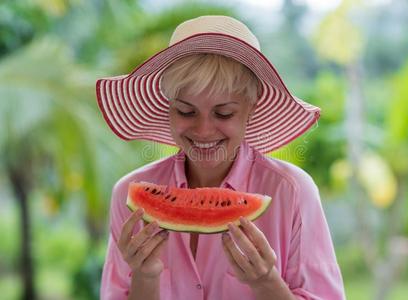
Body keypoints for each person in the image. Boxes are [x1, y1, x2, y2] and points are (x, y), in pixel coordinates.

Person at [96, 15, 345, 300]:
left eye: (223, 113)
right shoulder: (128, 196)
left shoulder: (292, 192)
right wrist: (145, 276)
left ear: (251, 108)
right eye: (186, 111)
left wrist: (265, 282)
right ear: (168, 108)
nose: (203, 130)